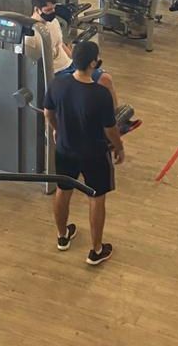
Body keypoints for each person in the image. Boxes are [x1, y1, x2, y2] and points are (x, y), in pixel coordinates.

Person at [44, 41, 125, 261]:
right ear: (93, 63)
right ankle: (96, 250)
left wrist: (57, 130)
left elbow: (48, 113)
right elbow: (110, 129)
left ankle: (62, 236)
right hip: (94, 154)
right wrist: (119, 148)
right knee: (96, 198)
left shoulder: (57, 84)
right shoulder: (100, 94)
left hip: (65, 149)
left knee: (63, 190)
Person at [27, 0, 74, 76]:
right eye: (48, 10)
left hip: (69, 64)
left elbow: (60, 44)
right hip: (55, 72)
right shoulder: (30, 35)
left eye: (53, 8)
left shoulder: (54, 22)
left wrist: (74, 60)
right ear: (37, 10)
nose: (52, 12)